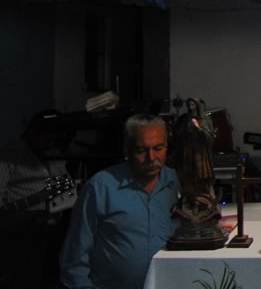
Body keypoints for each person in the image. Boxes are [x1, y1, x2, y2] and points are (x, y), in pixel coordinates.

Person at [60, 114, 180, 289]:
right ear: (126, 150)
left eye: (158, 148)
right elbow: (75, 255)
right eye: (141, 150)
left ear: (167, 146)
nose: (151, 157)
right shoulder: (100, 187)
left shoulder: (179, 183)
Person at [0, 109, 74, 288]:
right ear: (33, 132)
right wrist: (37, 198)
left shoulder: (53, 154)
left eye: (54, 138)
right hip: (23, 238)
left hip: (56, 231)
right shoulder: (5, 158)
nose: (51, 142)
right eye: (48, 137)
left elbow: (65, 187)